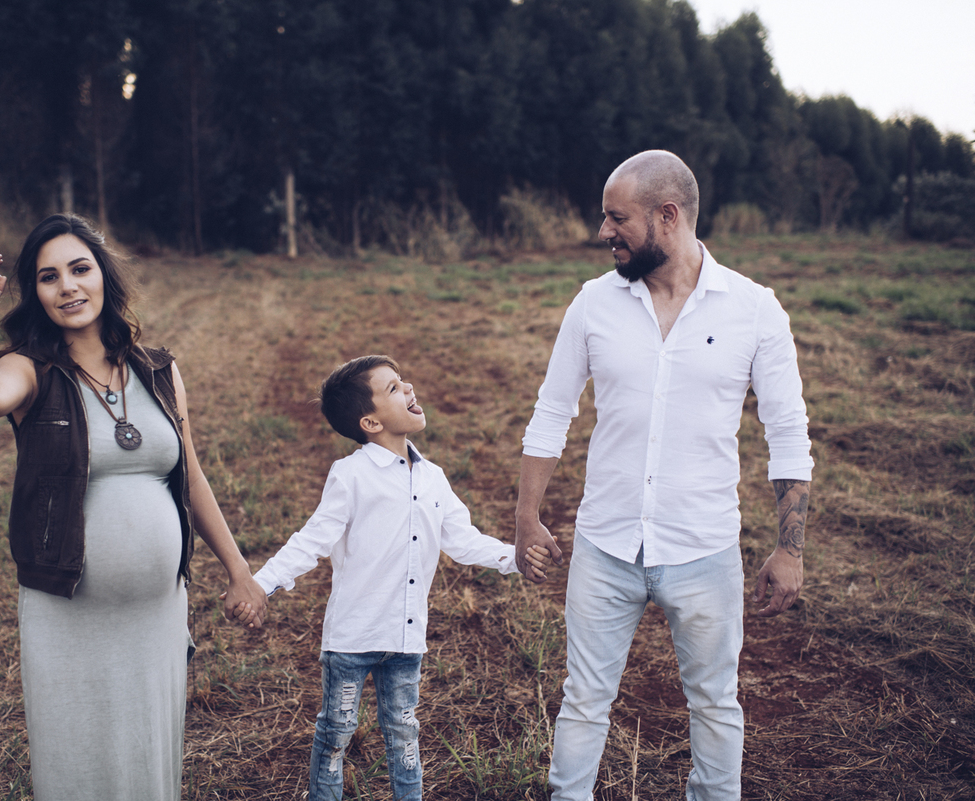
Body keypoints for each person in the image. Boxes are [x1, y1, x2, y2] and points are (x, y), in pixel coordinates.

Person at [515, 150, 813, 801]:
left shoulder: (755, 310)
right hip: (605, 544)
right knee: (584, 701)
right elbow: (550, 412)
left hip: (704, 549)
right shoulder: (594, 302)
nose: (603, 233)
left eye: (616, 218)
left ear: (668, 216)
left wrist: (790, 548)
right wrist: (526, 515)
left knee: (714, 706)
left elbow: (787, 431)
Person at [0, 212, 267, 801]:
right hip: (69, 612)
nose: (67, 286)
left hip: (156, 616)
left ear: (104, 277)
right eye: (48, 277)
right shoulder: (31, 372)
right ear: (35, 293)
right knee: (77, 762)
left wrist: (238, 568)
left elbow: (189, 475)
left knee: (149, 759)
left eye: (79, 269)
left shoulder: (160, 371)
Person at [251, 355, 537, 801]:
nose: (409, 389)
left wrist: (515, 557)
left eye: (403, 381)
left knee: (404, 732)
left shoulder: (433, 477)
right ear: (370, 421)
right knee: (336, 732)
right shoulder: (351, 475)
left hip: (406, 639)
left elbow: (462, 540)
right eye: (393, 388)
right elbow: (312, 541)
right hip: (351, 637)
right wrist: (260, 584)